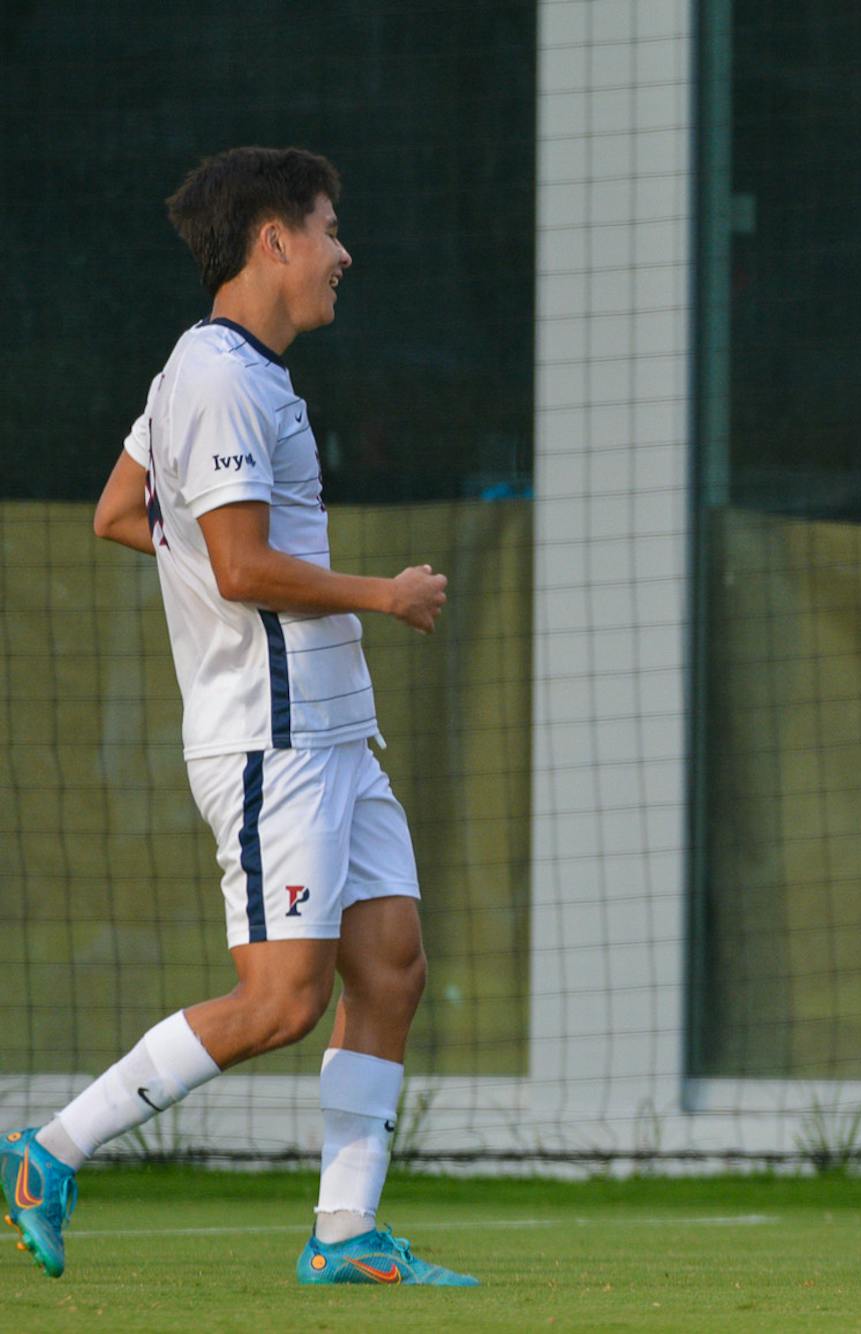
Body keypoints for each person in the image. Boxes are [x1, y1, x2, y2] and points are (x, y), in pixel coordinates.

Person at [2, 146, 475, 1287]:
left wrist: (199, 564)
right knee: (280, 1001)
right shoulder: (215, 378)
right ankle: (47, 1150)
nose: (342, 253)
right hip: (271, 737)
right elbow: (241, 565)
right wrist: (381, 594)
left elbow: (121, 509)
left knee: (392, 969)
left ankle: (345, 1231)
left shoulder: (227, 373)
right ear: (274, 240)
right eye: (328, 228)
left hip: (333, 729)